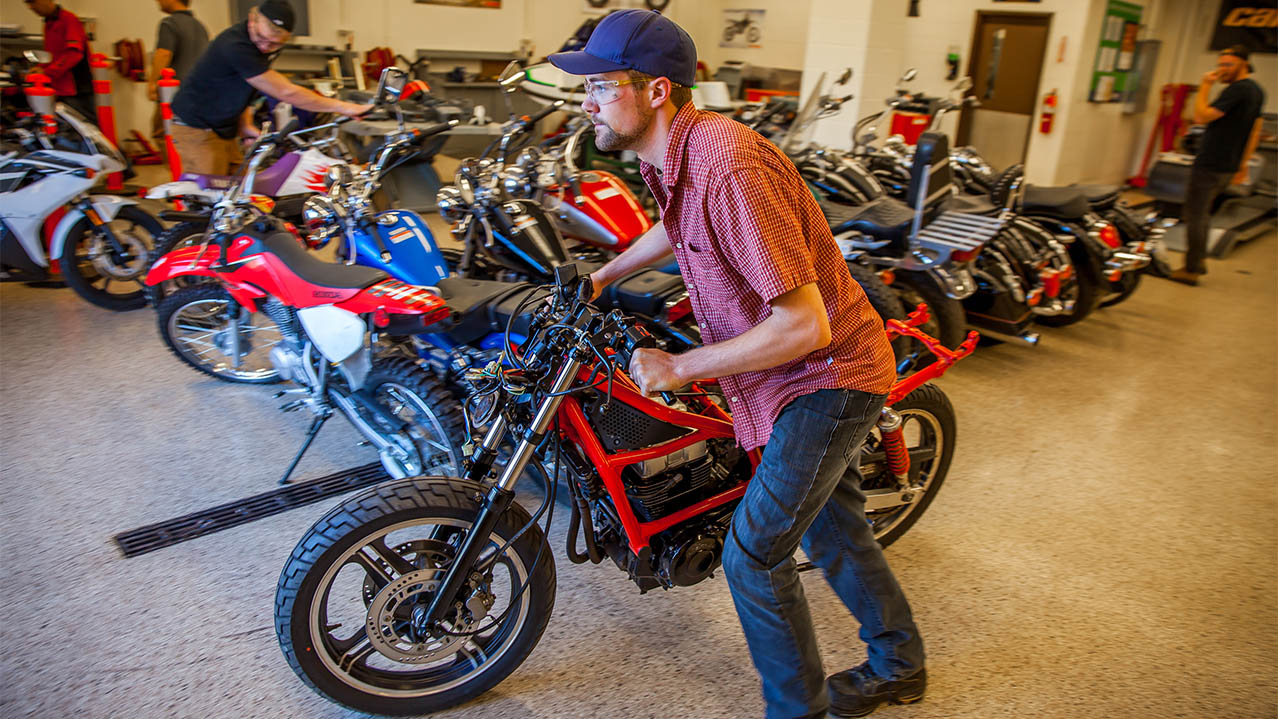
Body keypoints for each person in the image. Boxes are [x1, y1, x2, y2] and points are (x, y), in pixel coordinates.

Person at [549, 10, 924, 719]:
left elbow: (804, 326)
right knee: (834, 527)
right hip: (779, 377)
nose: (586, 101)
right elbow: (676, 224)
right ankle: (901, 663)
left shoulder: (730, 166)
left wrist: (680, 367)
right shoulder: (672, 153)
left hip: (827, 377)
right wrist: (604, 274)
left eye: (599, 86)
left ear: (656, 91)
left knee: (754, 555)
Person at [169, 0, 370, 175]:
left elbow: (243, 89)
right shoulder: (235, 46)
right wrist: (344, 107)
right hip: (197, 128)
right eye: (262, 39)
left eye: (275, 44)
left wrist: (245, 125)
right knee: (210, 204)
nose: (265, 47)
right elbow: (287, 92)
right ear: (252, 20)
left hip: (221, 128)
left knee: (241, 195)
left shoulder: (260, 45)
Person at [1172, 44, 1265, 286]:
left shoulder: (1237, 90)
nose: (1222, 70)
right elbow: (1255, 130)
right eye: (1220, 64)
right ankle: (1197, 261)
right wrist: (1243, 164)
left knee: (1195, 215)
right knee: (1203, 214)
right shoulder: (1256, 91)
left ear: (1243, 64)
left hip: (1212, 163)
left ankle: (1192, 268)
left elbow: (1202, 116)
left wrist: (1205, 86)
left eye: (1228, 65)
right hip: (1228, 164)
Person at [23, 0, 96, 122]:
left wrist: (47, 72)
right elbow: (54, 55)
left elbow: (74, 54)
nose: (30, 7)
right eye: (27, 3)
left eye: (32, 2)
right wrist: (41, 67)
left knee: (85, 132)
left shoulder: (68, 19)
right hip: (60, 88)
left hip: (76, 91)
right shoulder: (49, 23)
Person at [147, 0, 209, 102]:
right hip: (198, 96)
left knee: (164, 118)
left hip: (174, 96)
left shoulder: (170, 23)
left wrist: (152, 84)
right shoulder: (201, 27)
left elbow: (164, 54)